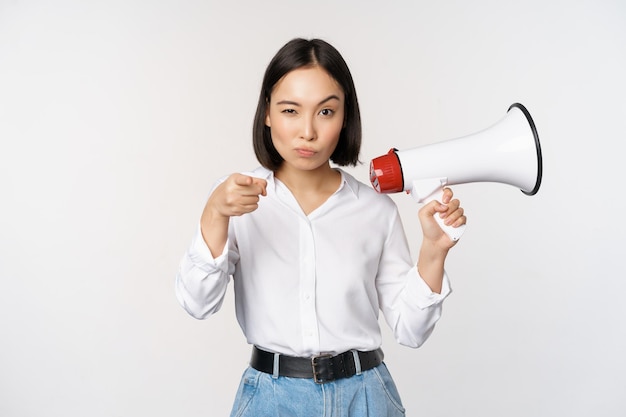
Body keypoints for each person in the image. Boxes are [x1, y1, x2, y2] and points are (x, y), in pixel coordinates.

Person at [175, 38, 466, 417]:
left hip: (366, 398)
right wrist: (214, 214)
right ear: (267, 113)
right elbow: (197, 304)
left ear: (345, 116)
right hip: (270, 400)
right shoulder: (235, 199)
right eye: (290, 110)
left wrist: (434, 250)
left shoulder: (376, 211)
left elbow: (411, 332)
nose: (307, 132)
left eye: (326, 111)